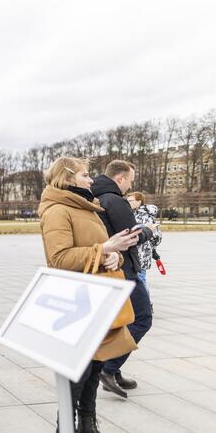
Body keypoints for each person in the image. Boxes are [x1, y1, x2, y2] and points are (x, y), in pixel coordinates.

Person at [38, 157, 141, 432]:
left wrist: (114, 258)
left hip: (97, 297)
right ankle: (65, 426)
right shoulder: (58, 210)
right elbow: (58, 259)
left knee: (95, 366)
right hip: (76, 301)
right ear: (68, 177)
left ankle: (87, 422)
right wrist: (105, 249)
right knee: (79, 371)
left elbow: (104, 249)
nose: (91, 179)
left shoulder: (87, 206)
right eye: (85, 174)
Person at [91, 160, 154, 398]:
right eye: (130, 180)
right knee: (143, 318)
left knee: (121, 322)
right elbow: (129, 236)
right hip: (124, 270)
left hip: (114, 268)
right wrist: (148, 230)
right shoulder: (115, 200)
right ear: (120, 178)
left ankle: (113, 369)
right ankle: (110, 368)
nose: (130, 185)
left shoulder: (97, 197)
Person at [126, 192, 163, 298]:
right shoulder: (131, 214)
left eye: (130, 201)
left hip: (142, 254)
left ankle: (146, 303)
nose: (128, 203)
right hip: (133, 253)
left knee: (140, 280)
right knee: (137, 279)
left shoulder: (146, 217)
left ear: (139, 201)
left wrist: (152, 248)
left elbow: (156, 237)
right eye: (127, 201)